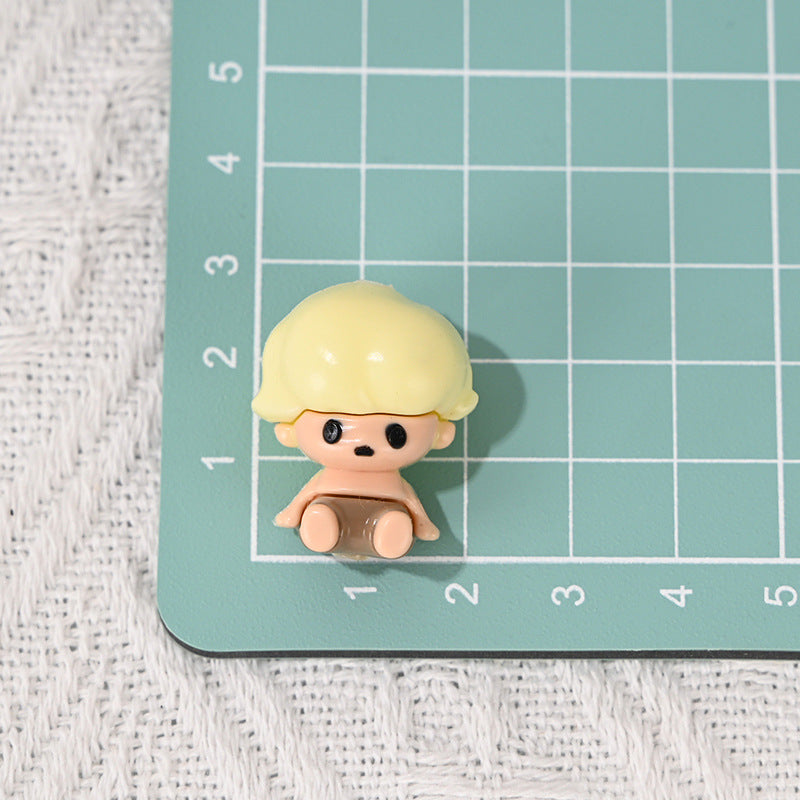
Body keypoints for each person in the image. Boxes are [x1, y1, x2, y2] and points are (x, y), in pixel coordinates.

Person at [252, 280, 478, 559]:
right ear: (289, 430)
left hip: (389, 509)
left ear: (440, 434)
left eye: (396, 435)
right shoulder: (333, 481)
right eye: (333, 431)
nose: (364, 444)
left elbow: (411, 504)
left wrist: (422, 524)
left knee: (393, 519)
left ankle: (389, 531)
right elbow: (306, 496)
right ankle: (322, 524)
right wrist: (292, 513)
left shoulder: (394, 486)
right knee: (321, 513)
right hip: (329, 505)